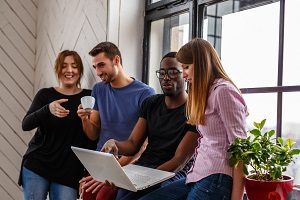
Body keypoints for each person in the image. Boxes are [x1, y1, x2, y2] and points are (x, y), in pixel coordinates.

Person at [139, 38, 248, 200]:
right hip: (197, 175)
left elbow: (241, 150)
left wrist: (237, 198)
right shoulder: (207, 93)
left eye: (186, 67)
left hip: (216, 178)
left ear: (202, 64)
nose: (183, 74)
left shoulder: (223, 91)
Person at [101, 52, 199, 200]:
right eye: (162, 73)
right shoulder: (151, 103)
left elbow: (179, 161)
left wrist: (146, 179)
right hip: (144, 167)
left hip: (172, 173)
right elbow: (133, 144)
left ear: (185, 75)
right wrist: (113, 143)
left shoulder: (194, 110)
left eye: (172, 72)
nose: (166, 77)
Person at [77, 42, 155, 200]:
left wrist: (111, 170)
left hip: (128, 165)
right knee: (86, 194)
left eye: (101, 65)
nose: (98, 72)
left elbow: (143, 144)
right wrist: (84, 118)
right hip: (99, 163)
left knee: (102, 197)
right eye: (95, 67)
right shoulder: (98, 90)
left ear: (117, 60)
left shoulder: (145, 93)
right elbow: (93, 134)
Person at [19, 50, 98, 200]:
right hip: (38, 165)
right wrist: (47, 109)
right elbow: (26, 124)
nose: (69, 70)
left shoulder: (89, 97)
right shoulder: (45, 95)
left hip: (69, 170)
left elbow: (93, 136)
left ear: (80, 70)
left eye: (74, 66)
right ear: (58, 69)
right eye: (64, 66)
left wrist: (85, 118)